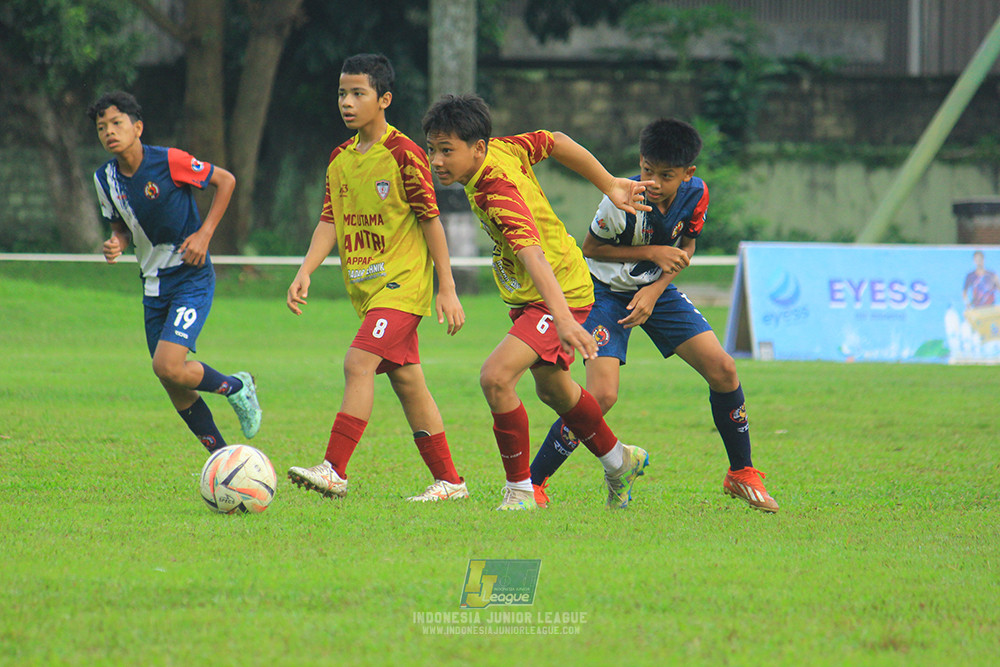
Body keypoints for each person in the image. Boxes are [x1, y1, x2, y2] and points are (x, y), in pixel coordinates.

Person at [527, 118, 779, 513]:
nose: (654, 182)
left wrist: (655, 288)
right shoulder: (618, 200)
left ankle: (741, 473)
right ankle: (534, 482)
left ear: (688, 173)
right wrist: (651, 254)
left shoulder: (697, 194)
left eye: (667, 175)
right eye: (647, 171)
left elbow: (686, 247)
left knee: (724, 369)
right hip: (604, 294)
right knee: (602, 396)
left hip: (657, 289)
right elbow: (591, 247)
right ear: (639, 162)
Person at [422, 93, 651, 511]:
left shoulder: (496, 189)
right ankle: (620, 460)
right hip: (537, 293)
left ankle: (520, 491)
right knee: (555, 390)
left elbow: (533, 254)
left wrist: (563, 319)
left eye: (446, 150)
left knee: (495, 377)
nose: (437, 160)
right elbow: (556, 140)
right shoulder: (504, 148)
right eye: (433, 149)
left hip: (557, 291)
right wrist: (610, 183)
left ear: (477, 148)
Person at [286, 54, 468, 503]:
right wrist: (305, 271)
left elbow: (431, 220)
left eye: (358, 93)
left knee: (358, 363)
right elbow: (329, 220)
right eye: (342, 94)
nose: (347, 102)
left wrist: (447, 286)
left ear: (383, 99)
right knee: (408, 382)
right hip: (368, 292)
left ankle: (333, 470)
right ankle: (450, 482)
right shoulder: (340, 159)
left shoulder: (404, 154)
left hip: (402, 288)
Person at [88, 91, 262, 454]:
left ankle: (237, 387)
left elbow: (226, 181)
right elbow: (120, 225)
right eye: (101, 127)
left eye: (116, 123)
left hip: (190, 277)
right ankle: (223, 459)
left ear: (137, 127)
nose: (109, 132)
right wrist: (117, 242)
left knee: (167, 364)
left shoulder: (169, 161)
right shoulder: (105, 179)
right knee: (171, 378)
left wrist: (205, 234)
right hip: (152, 287)